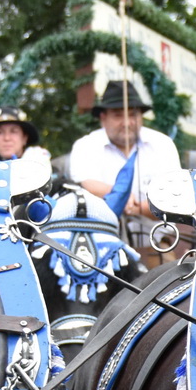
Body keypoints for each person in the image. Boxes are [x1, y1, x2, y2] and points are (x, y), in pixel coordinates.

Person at [69, 79, 188, 260]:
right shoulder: (86, 145)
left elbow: (174, 197)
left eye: (132, 114)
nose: (127, 122)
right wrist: (119, 195)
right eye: (118, 115)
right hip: (98, 250)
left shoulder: (162, 144)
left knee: (172, 282)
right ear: (103, 117)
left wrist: (140, 208)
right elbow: (87, 184)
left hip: (155, 245)